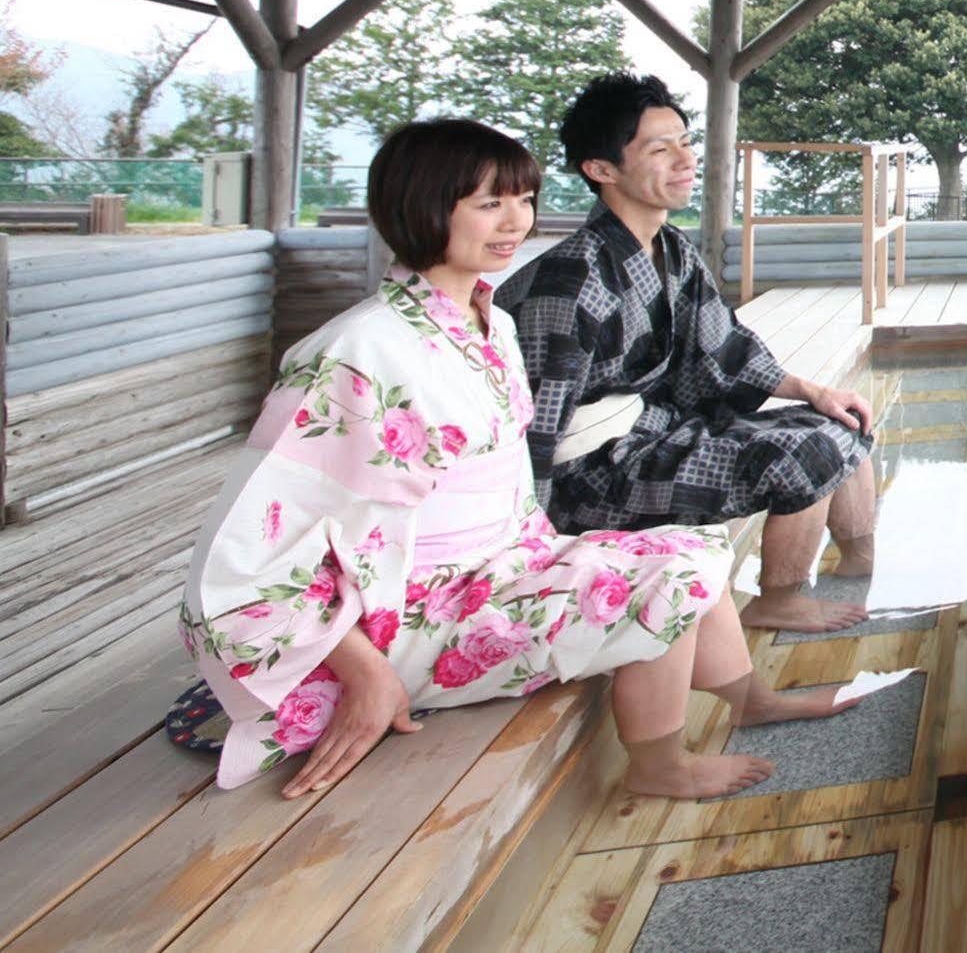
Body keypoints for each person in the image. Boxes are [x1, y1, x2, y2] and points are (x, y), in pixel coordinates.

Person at [179, 119, 852, 800]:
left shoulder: (490, 320)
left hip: (499, 561)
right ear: (422, 207)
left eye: (523, 200)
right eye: (488, 204)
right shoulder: (357, 350)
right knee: (666, 579)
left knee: (695, 548)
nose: (515, 222)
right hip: (412, 610)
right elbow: (247, 554)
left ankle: (748, 700)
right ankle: (658, 765)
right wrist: (363, 670)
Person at [496, 74, 879, 634]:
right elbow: (534, 425)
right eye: (659, 148)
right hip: (586, 476)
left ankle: (861, 563)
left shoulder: (670, 247)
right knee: (801, 454)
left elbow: (724, 343)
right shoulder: (568, 280)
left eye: (684, 141)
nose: (684, 158)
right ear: (601, 170)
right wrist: (532, 544)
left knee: (844, 419)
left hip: (649, 431)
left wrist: (815, 392)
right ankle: (779, 598)